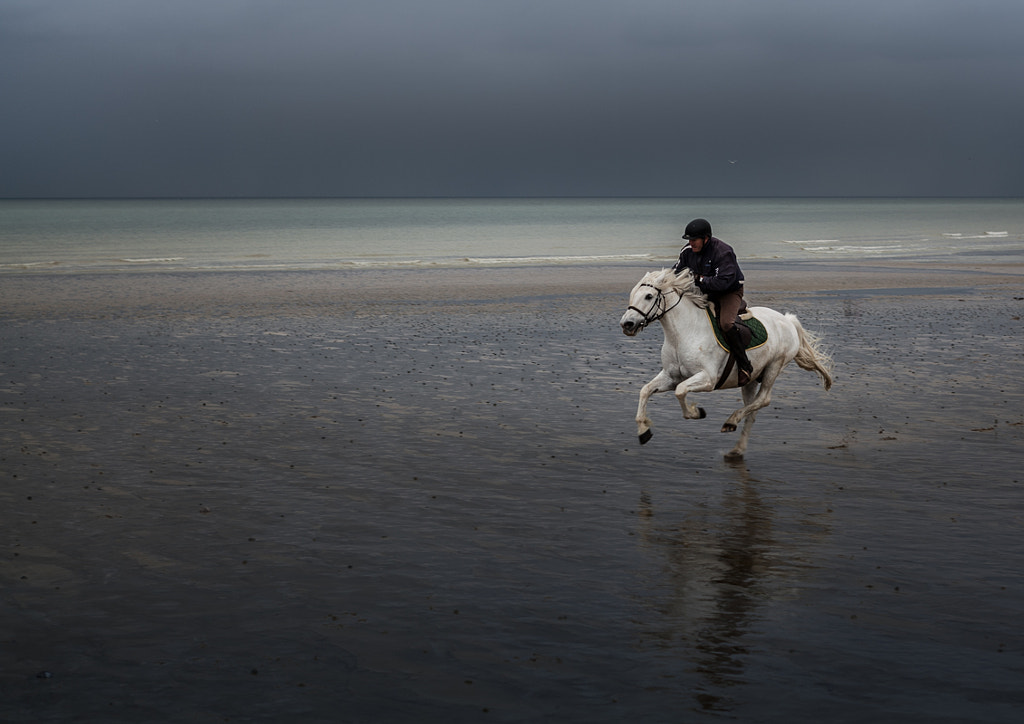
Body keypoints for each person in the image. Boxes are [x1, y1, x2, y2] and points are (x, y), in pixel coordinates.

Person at [672, 218, 753, 385]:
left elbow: (721, 283)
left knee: (726, 324)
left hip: (729, 291)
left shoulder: (723, 252)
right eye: (689, 239)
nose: (691, 243)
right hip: (704, 290)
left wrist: (698, 279)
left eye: (694, 240)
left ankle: (745, 365)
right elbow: (676, 272)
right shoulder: (687, 251)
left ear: (706, 238)